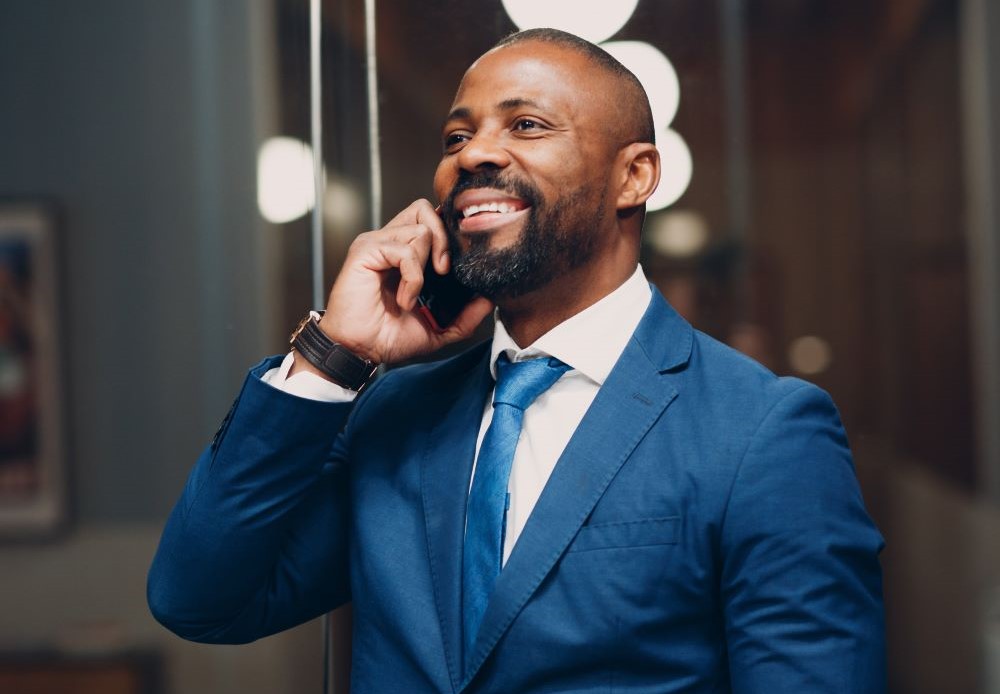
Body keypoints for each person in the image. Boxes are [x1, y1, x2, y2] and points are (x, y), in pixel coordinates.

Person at [148, 28, 885, 693]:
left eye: (526, 125)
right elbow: (200, 598)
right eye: (455, 137)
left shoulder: (764, 432)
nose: (473, 154)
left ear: (635, 176)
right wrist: (333, 357)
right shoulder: (395, 414)